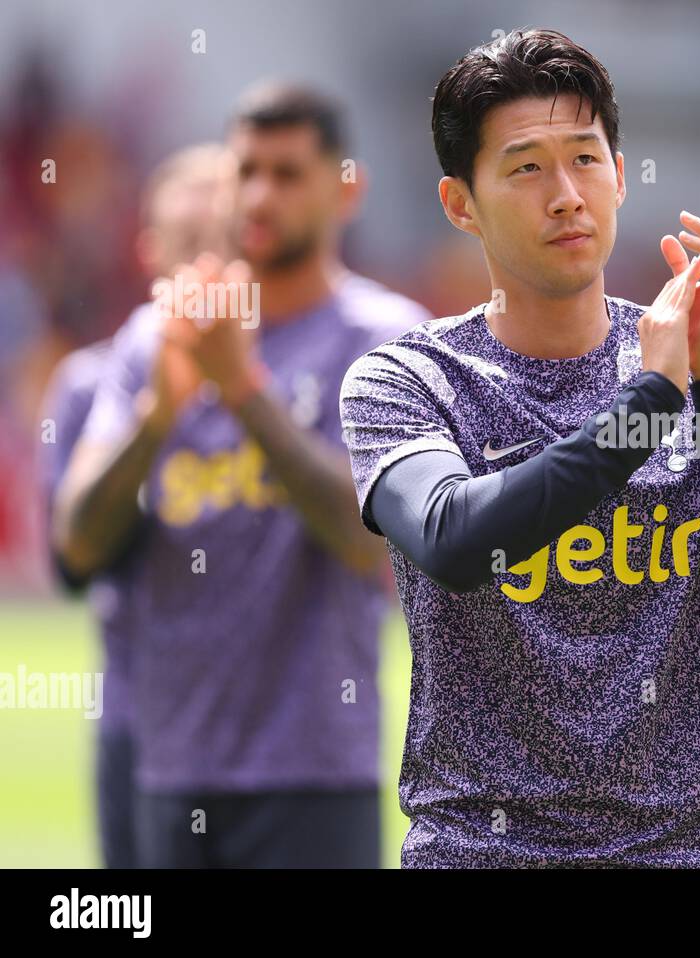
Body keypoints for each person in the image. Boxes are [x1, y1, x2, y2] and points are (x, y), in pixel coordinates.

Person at [340, 28, 700, 868]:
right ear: (461, 203)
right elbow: (458, 541)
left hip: (687, 848)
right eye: (527, 167)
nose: (566, 195)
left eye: (586, 159)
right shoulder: (407, 380)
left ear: (618, 173)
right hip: (479, 849)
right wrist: (650, 401)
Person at [52, 84, 430, 868]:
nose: (260, 195)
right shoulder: (159, 335)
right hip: (168, 767)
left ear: (345, 186)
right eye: (244, 171)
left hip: (314, 776)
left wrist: (244, 391)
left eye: (287, 173)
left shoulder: (384, 343)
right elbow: (77, 545)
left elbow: (380, 550)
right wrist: (159, 413)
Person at [37, 142, 233, 868]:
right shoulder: (93, 385)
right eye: (188, 244)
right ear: (150, 253)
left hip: (281, 736)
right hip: (138, 721)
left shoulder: (293, 371)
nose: (204, 266)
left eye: (223, 243)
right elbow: (70, 565)